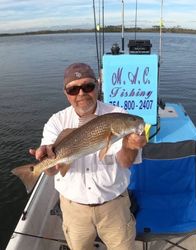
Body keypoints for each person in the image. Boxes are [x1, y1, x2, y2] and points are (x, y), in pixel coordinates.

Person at [29, 63, 147, 250]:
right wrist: (44, 161)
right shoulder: (56, 121)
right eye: (73, 89)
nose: (81, 93)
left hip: (114, 207)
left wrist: (130, 146)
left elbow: (125, 162)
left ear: (98, 86)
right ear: (66, 92)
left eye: (88, 86)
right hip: (74, 210)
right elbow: (51, 171)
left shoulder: (117, 115)